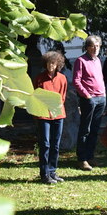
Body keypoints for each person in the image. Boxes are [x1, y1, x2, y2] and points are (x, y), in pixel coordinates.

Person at [32, 51, 67, 184]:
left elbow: (62, 97)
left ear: (58, 64)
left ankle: (53, 171)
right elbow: (36, 96)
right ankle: (44, 173)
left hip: (58, 114)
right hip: (43, 115)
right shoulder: (39, 78)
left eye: (53, 63)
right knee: (45, 144)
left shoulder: (62, 78)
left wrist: (55, 108)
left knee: (55, 144)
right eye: (48, 63)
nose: (50, 66)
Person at [73, 35, 107, 170]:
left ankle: (90, 156)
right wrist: (87, 96)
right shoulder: (80, 60)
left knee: (95, 129)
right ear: (87, 47)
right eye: (92, 46)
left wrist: (104, 94)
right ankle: (82, 159)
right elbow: (76, 81)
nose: (95, 48)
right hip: (89, 99)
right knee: (85, 129)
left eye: (97, 46)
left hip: (101, 98)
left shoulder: (98, 60)